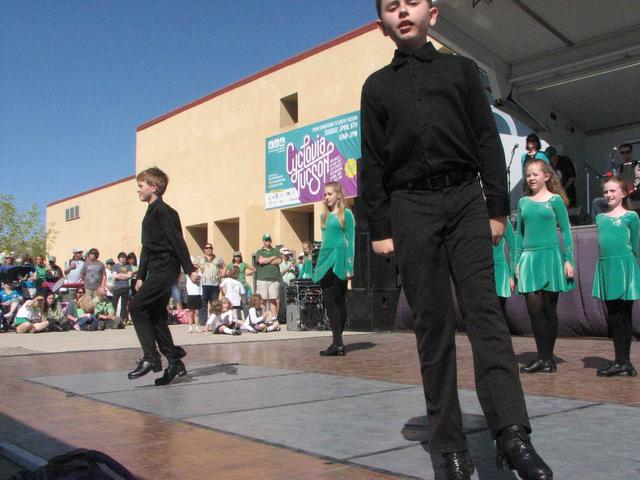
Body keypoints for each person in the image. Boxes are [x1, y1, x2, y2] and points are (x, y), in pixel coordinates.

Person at [360, 2, 552, 479]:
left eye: (411, 2)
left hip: (466, 200)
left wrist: (495, 208)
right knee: (433, 325)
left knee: (486, 315)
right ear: (382, 25)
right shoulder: (376, 87)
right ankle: (448, 448)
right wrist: (379, 227)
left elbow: (487, 139)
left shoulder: (462, 71)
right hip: (410, 207)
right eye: (390, 6)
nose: (402, 10)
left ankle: (511, 434)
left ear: (434, 14)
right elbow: (372, 161)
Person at [127, 167, 198, 386]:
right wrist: (141, 275)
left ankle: (151, 357)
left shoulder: (164, 212)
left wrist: (189, 269)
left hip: (167, 267)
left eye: (141, 186)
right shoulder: (149, 213)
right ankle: (174, 360)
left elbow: (178, 241)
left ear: (153, 187)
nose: (138, 190)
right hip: (156, 269)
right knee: (156, 315)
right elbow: (146, 248)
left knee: (136, 306)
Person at [516, 159, 574, 374]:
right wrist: (517, 262)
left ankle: (547, 359)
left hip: (550, 258)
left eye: (535, 174)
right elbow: (519, 234)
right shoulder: (523, 202)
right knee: (535, 310)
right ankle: (542, 357)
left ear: (546, 176)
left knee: (549, 310)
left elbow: (566, 231)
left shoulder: (555, 200)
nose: (531, 178)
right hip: (530, 260)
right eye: (528, 174)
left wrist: (569, 260)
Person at [592, 176, 639, 377]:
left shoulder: (631, 217)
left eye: (613, 191)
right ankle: (620, 360)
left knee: (624, 315)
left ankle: (624, 361)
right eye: (606, 192)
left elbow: (635, 245)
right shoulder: (600, 217)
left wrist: (633, 269)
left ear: (623, 193)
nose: (609, 195)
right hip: (607, 267)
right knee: (614, 316)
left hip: (624, 266)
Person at [312, 182, 354, 356]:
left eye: (329, 194)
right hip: (325, 259)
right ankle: (337, 343)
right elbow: (325, 241)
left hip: (340, 259)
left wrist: (350, 266)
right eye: (325, 194)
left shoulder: (347, 214)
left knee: (339, 301)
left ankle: (338, 342)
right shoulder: (324, 216)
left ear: (338, 195)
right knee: (329, 301)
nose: (326, 197)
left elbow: (351, 240)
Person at [196, 243, 225, 326]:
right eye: (207, 248)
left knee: (214, 303)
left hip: (215, 284)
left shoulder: (218, 259)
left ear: (212, 249)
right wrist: (197, 272)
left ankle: (214, 321)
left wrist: (222, 274)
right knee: (203, 303)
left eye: (210, 248)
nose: (208, 249)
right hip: (203, 284)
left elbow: (224, 266)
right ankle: (203, 322)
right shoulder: (199, 258)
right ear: (204, 249)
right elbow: (193, 266)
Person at [255, 233, 282, 319]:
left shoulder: (276, 251)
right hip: (262, 279)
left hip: (274, 279)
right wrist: (272, 258)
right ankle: (263, 317)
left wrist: (266, 260)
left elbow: (278, 261)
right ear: (263, 241)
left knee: (273, 299)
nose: (268, 241)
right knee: (262, 299)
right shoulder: (259, 251)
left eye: (269, 240)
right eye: (266, 240)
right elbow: (261, 262)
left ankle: (274, 317)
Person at [493, 220, 516, 316]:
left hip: (499, 271)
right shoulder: (475, 218)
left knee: (499, 310)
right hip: (481, 269)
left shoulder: (503, 220)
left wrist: (511, 275)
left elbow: (514, 247)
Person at [111, 252, 133, 324]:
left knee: (124, 304)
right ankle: (112, 318)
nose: (123, 259)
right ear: (118, 258)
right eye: (121, 257)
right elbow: (114, 276)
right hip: (116, 288)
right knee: (114, 304)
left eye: (124, 257)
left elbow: (129, 276)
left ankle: (122, 319)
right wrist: (124, 276)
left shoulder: (128, 266)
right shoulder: (115, 266)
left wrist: (119, 275)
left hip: (125, 287)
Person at [185, 262, 203, 333]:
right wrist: (192, 265)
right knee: (190, 313)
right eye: (194, 268)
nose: (195, 269)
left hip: (198, 295)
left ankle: (197, 326)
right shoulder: (188, 275)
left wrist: (198, 267)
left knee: (197, 313)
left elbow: (200, 273)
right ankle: (190, 327)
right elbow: (187, 269)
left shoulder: (200, 274)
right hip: (191, 295)